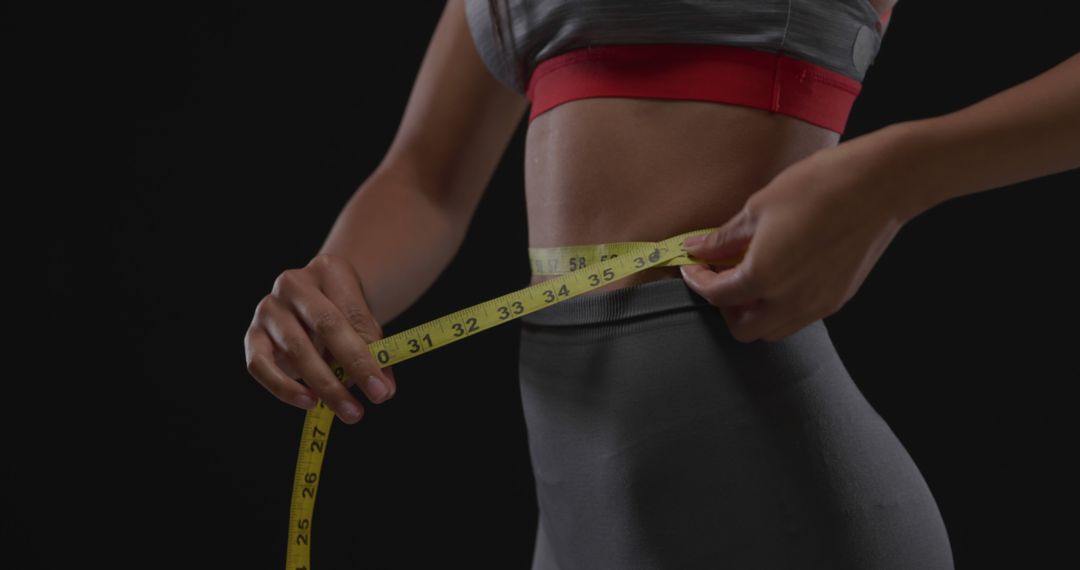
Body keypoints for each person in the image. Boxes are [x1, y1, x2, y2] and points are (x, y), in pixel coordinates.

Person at [243, 0, 1079, 568]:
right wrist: (333, 283)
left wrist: (898, 174)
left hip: (781, 507)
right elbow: (426, 177)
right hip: (571, 523)